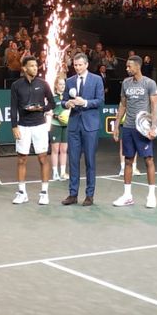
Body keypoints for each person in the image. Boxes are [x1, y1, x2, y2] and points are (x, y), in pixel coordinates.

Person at [111, 55, 157, 208]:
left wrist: (153, 126)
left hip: (143, 128)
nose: (127, 69)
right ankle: (127, 196)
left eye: (129, 66)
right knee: (128, 161)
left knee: (148, 160)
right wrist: (117, 125)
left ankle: (151, 196)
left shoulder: (149, 83)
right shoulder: (125, 83)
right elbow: (122, 105)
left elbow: (154, 106)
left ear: (137, 67)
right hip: (129, 127)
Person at [9, 56, 55, 205]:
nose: (35, 68)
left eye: (36, 66)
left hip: (40, 125)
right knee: (21, 159)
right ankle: (22, 193)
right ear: (24, 68)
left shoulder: (43, 84)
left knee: (43, 158)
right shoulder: (16, 85)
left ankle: (44, 192)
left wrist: (42, 108)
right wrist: (14, 126)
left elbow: (52, 103)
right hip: (22, 125)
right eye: (32, 66)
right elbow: (14, 107)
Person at [62, 52, 104, 206]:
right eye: (75, 65)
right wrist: (67, 104)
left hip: (90, 126)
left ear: (86, 65)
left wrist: (84, 102)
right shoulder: (70, 81)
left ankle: (89, 195)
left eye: (80, 65)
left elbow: (100, 101)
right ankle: (73, 194)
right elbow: (63, 100)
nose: (77, 68)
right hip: (74, 125)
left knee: (90, 161)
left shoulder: (97, 79)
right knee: (73, 161)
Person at [49, 75, 69, 181]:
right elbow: (47, 111)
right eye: (60, 84)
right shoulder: (52, 97)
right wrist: (56, 116)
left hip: (65, 125)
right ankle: (55, 173)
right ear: (56, 86)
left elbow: (71, 109)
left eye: (64, 84)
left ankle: (62, 172)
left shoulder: (67, 97)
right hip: (55, 125)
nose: (62, 86)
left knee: (64, 149)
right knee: (55, 149)